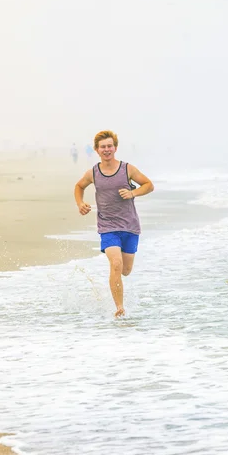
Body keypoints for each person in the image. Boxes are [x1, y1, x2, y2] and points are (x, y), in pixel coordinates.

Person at [74, 130, 154, 317]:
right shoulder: (93, 172)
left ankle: (114, 289)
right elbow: (79, 186)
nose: (107, 149)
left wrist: (133, 193)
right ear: (97, 150)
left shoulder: (127, 169)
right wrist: (80, 203)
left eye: (110, 146)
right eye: (103, 147)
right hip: (107, 226)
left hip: (130, 226)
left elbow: (148, 185)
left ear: (115, 148)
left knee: (125, 270)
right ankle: (119, 308)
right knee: (116, 263)